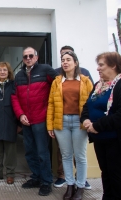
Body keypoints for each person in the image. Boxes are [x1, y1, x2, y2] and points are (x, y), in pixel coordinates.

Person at [11, 47, 58, 196]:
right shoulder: (18, 76)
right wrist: (20, 115)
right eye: (25, 57)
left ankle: (46, 182)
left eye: (31, 56)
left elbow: (58, 87)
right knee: (30, 152)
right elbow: (14, 97)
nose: (28, 58)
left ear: (36, 57)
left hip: (41, 119)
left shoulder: (46, 70)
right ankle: (36, 177)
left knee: (42, 152)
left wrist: (51, 112)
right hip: (26, 121)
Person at [47, 51, 93, 200]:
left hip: (80, 123)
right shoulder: (57, 81)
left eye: (68, 60)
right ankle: (70, 186)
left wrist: (90, 122)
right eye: (63, 60)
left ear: (76, 62)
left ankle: (80, 187)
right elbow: (51, 104)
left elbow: (91, 103)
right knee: (66, 156)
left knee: (80, 156)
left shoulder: (85, 81)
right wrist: (50, 125)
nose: (65, 62)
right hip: (62, 122)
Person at [80, 52, 121, 200]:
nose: (98, 68)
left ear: (114, 65)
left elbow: (118, 114)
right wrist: (85, 120)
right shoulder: (98, 85)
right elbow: (87, 106)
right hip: (99, 139)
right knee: (106, 172)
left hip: (114, 139)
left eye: (101, 65)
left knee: (116, 174)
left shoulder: (119, 84)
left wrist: (97, 125)